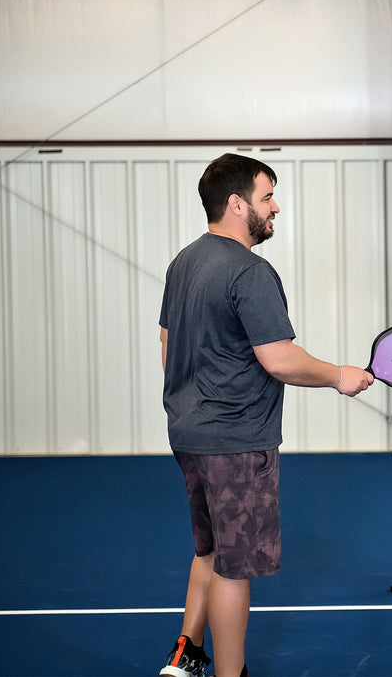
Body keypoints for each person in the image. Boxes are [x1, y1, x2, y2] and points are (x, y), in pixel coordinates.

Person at [157, 153, 374, 677]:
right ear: (237, 205)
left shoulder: (184, 261)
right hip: (235, 442)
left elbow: (167, 342)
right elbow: (279, 359)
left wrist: (195, 394)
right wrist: (339, 374)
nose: (276, 207)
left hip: (188, 432)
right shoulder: (250, 272)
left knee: (207, 549)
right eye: (267, 196)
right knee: (235, 568)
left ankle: (186, 656)